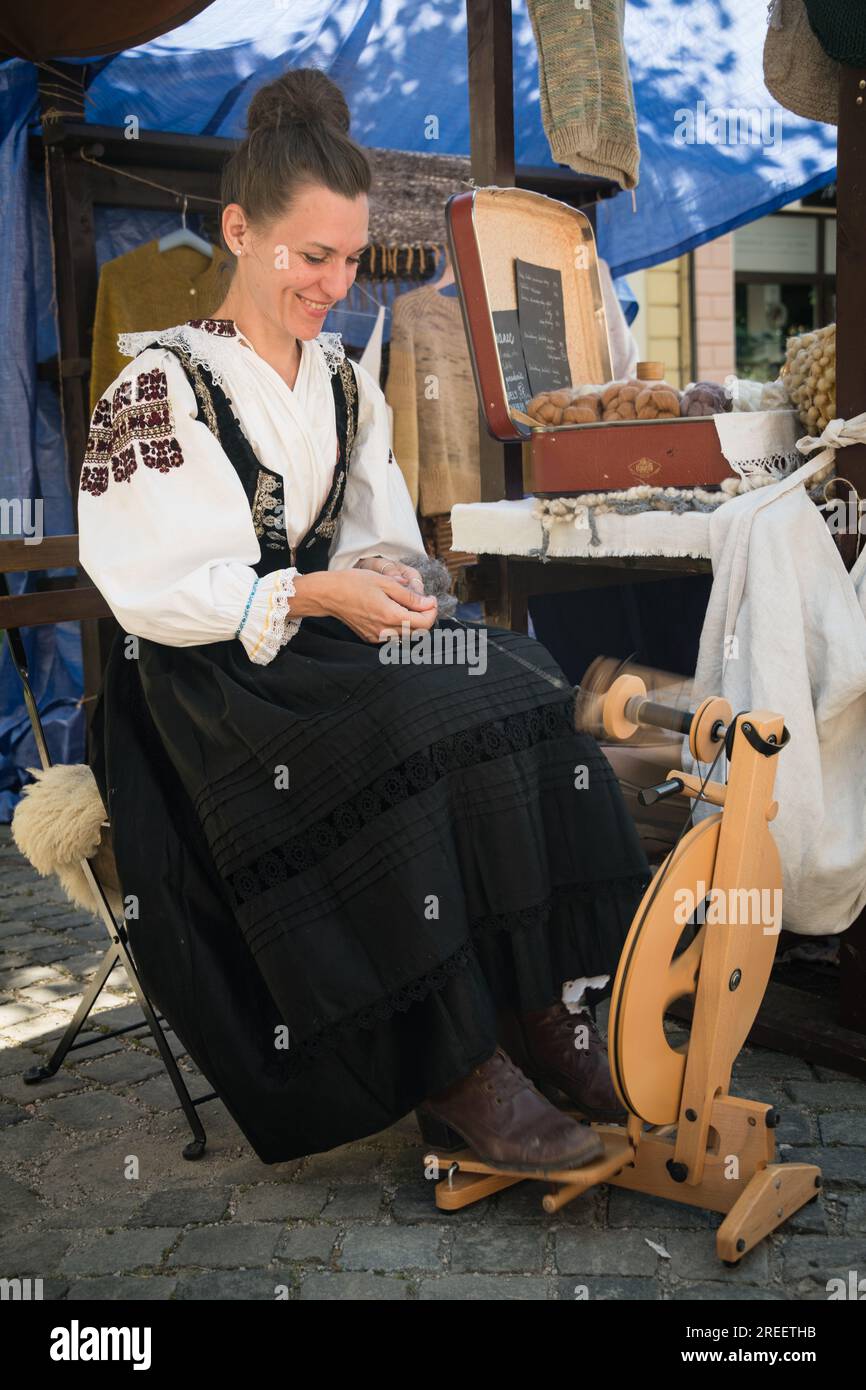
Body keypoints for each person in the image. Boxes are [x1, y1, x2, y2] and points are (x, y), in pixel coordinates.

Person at [78, 66, 650, 1174]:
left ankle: (534, 1008)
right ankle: (451, 1066)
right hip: (206, 681)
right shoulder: (160, 387)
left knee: (516, 674)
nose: (334, 283)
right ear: (240, 232)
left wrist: (390, 580)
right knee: (405, 726)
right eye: (311, 256)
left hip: (320, 640)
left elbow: (368, 532)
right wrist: (310, 593)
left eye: (347, 258)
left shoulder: (344, 381)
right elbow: (145, 583)